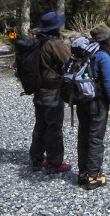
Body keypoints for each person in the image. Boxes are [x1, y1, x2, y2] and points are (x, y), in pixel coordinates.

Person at [76, 23, 110, 190]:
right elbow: (109, 84)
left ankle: (82, 173)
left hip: (81, 101)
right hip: (97, 103)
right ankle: (94, 176)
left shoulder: (84, 52)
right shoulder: (102, 56)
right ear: (105, 39)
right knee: (95, 139)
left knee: (83, 136)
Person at [29, 11, 72, 174]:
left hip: (38, 91)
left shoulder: (36, 42)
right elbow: (69, 62)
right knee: (54, 127)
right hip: (52, 92)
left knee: (40, 125)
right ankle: (54, 162)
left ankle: (37, 158)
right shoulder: (55, 44)